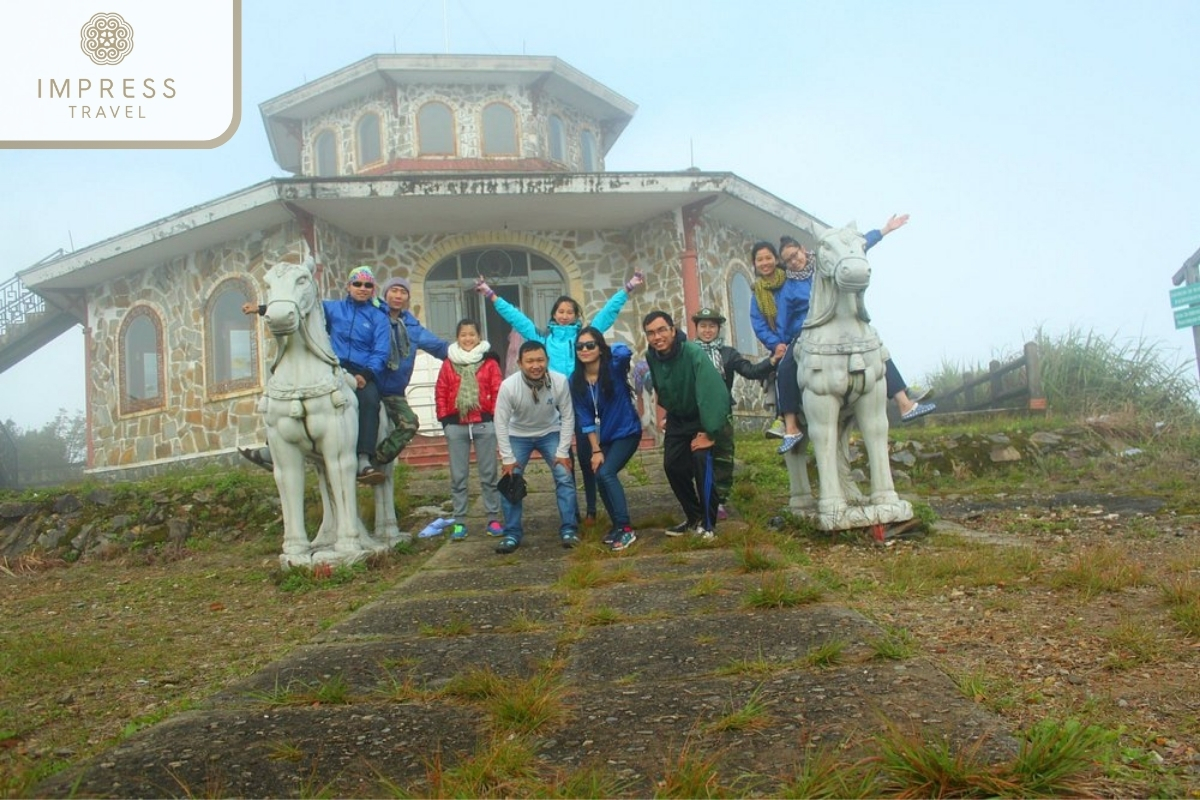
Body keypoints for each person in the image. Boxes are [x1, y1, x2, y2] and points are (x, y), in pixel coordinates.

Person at [475, 272, 645, 527]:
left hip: (582, 403)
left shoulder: (583, 339)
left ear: (576, 316)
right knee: (566, 460)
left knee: (591, 457)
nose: (565, 315)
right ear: (554, 314)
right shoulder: (542, 338)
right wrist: (491, 295)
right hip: (555, 407)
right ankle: (572, 513)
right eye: (560, 311)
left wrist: (627, 289)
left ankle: (591, 509)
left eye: (570, 311)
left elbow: (607, 314)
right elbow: (517, 318)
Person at [241, 264, 391, 484]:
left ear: (373, 289)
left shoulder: (378, 318)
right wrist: (262, 309)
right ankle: (271, 449)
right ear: (348, 286)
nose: (362, 288)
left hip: (362, 371)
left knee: (369, 400)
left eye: (368, 285)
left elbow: (381, 351)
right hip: (334, 365)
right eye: (357, 284)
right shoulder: (332, 308)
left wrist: (366, 375)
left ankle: (363, 458)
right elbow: (303, 309)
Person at [777, 231, 935, 429]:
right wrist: (786, 340)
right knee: (785, 368)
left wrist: (882, 231)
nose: (793, 261)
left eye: (794, 255)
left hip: (841, 323)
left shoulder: (825, 264)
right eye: (787, 260)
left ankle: (904, 402)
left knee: (875, 348)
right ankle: (789, 426)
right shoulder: (788, 289)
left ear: (802, 249)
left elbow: (857, 246)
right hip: (809, 331)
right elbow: (783, 322)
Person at [642, 310, 732, 540]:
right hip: (677, 418)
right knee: (672, 466)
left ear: (673, 330)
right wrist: (667, 412)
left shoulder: (692, 352)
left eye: (662, 330)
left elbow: (712, 391)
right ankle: (694, 517)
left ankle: (709, 525)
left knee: (702, 462)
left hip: (702, 416)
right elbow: (662, 386)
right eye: (651, 333)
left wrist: (709, 431)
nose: (657, 337)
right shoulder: (652, 355)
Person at [691, 307, 779, 520]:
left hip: (722, 412)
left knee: (723, 456)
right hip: (695, 413)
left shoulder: (728, 354)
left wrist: (772, 361)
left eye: (712, 326)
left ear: (718, 329)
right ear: (696, 328)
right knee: (696, 457)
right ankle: (699, 501)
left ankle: (720, 500)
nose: (707, 330)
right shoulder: (688, 351)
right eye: (703, 326)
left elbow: (750, 371)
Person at [492, 340, 579, 554]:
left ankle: (569, 529)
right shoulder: (509, 386)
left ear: (547, 361)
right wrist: (507, 457)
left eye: (540, 360)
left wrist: (562, 450)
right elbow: (500, 421)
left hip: (550, 432)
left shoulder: (559, 381)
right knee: (510, 481)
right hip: (518, 434)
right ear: (520, 363)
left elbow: (568, 416)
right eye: (530, 361)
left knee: (564, 476)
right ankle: (512, 534)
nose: (535, 365)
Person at [570, 327, 642, 551]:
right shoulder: (576, 379)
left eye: (590, 345)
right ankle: (617, 527)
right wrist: (595, 450)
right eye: (580, 347)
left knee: (608, 473)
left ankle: (626, 528)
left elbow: (624, 352)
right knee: (600, 475)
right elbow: (584, 417)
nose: (584, 350)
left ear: (600, 348)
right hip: (605, 438)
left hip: (627, 431)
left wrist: (606, 349)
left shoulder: (614, 367)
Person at [435, 318, 503, 540]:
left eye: (472, 334)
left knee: (488, 474)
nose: (467, 339)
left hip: (484, 424)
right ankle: (460, 521)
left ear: (479, 337)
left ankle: (493, 518)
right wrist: (445, 420)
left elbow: (498, 389)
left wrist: (492, 417)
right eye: (463, 335)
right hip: (456, 425)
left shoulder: (489, 362)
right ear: (457, 338)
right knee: (458, 476)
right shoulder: (448, 363)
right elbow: (441, 391)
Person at [373, 277, 450, 469]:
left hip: (394, 392)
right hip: (370, 384)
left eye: (403, 292)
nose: (398, 296)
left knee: (410, 424)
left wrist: (468, 353)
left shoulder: (412, 326)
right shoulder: (373, 317)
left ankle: (377, 460)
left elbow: (439, 347)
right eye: (394, 290)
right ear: (385, 293)